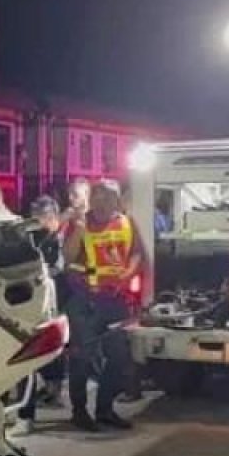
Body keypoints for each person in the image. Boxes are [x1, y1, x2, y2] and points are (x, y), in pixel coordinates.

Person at [60, 179, 144, 431]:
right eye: (97, 196)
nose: (101, 201)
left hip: (114, 301)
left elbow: (136, 253)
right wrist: (80, 229)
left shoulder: (126, 223)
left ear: (116, 200)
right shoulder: (80, 224)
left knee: (118, 358)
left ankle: (105, 410)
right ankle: (79, 412)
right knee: (82, 359)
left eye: (107, 197)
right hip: (85, 302)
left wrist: (127, 274)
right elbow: (67, 257)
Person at [13, 195, 69, 434]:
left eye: (42, 217)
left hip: (52, 308)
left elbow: (56, 269)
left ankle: (33, 409)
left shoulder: (59, 239)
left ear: (53, 217)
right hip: (34, 309)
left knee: (43, 358)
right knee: (29, 364)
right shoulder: (31, 239)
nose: (38, 222)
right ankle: (26, 413)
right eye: (35, 217)